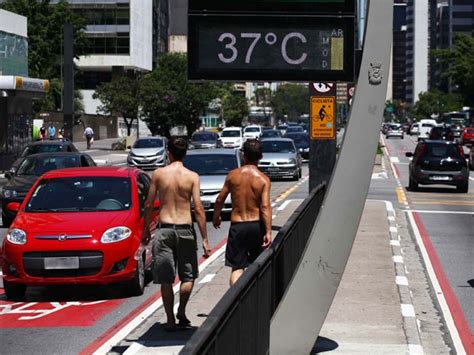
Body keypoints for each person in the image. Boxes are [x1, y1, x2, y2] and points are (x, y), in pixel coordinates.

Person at [143, 136, 211, 331]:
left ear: (168, 153)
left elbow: (148, 204)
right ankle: (181, 309)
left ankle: (170, 320)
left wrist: (146, 229)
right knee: (188, 276)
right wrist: (205, 239)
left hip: (164, 230)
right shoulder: (192, 176)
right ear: (185, 154)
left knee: (166, 279)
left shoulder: (158, 174)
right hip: (185, 229)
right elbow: (198, 209)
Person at [213, 139, 272, 286]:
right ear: (261, 157)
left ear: (243, 156)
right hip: (256, 226)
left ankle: (236, 298)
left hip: (238, 226)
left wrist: (216, 216)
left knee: (237, 267)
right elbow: (265, 207)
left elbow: (220, 199)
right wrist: (268, 231)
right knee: (257, 265)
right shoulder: (263, 179)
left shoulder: (233, 175)